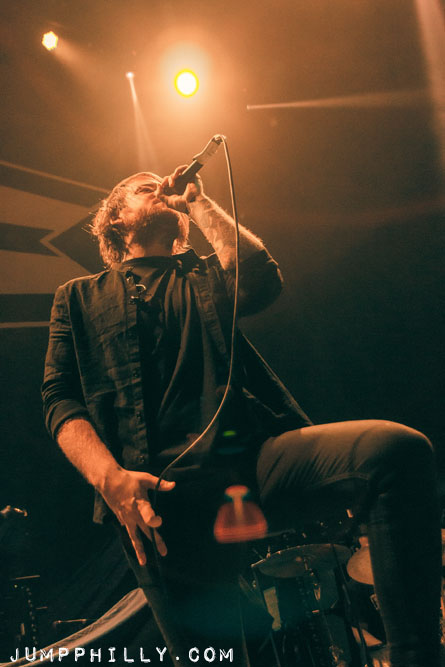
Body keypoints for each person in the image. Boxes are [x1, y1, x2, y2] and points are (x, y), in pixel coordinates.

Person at [42, 166, 442, 666]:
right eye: (145, 187)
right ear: (116, 221)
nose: (160, 187)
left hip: (247, 467)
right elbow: (60, 398)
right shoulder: (78, 297)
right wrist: (110, 478)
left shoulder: (203, 274)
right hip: (157, 504)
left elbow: (260, 281)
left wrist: (198, 203)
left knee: (396, 452)